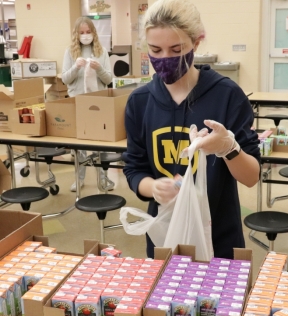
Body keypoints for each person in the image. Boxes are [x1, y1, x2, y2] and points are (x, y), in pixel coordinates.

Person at [123, 0, 261, 259]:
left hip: (218, 237)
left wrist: (229, 149)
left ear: (196, 43)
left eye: (176, 49)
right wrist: (153, 187)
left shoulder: (226, 95)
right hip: (165, 235)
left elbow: (251, 176)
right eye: (155, 50)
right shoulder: (140, 102)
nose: (164, 59)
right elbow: (134, 169)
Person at [62, 16, 114, 192]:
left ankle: (103, 178)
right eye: (82, 32)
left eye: (88, 32)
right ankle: (79, 178)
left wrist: (99, 68)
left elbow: (108, 79)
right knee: (80, 144)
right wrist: (76, 67)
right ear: (76, 34)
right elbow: (65, 79)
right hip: (78, 102)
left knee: (100, 143)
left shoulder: (102, 51)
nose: (85, 35)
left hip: (98, 103)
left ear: (93, 32)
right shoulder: (70, 52)